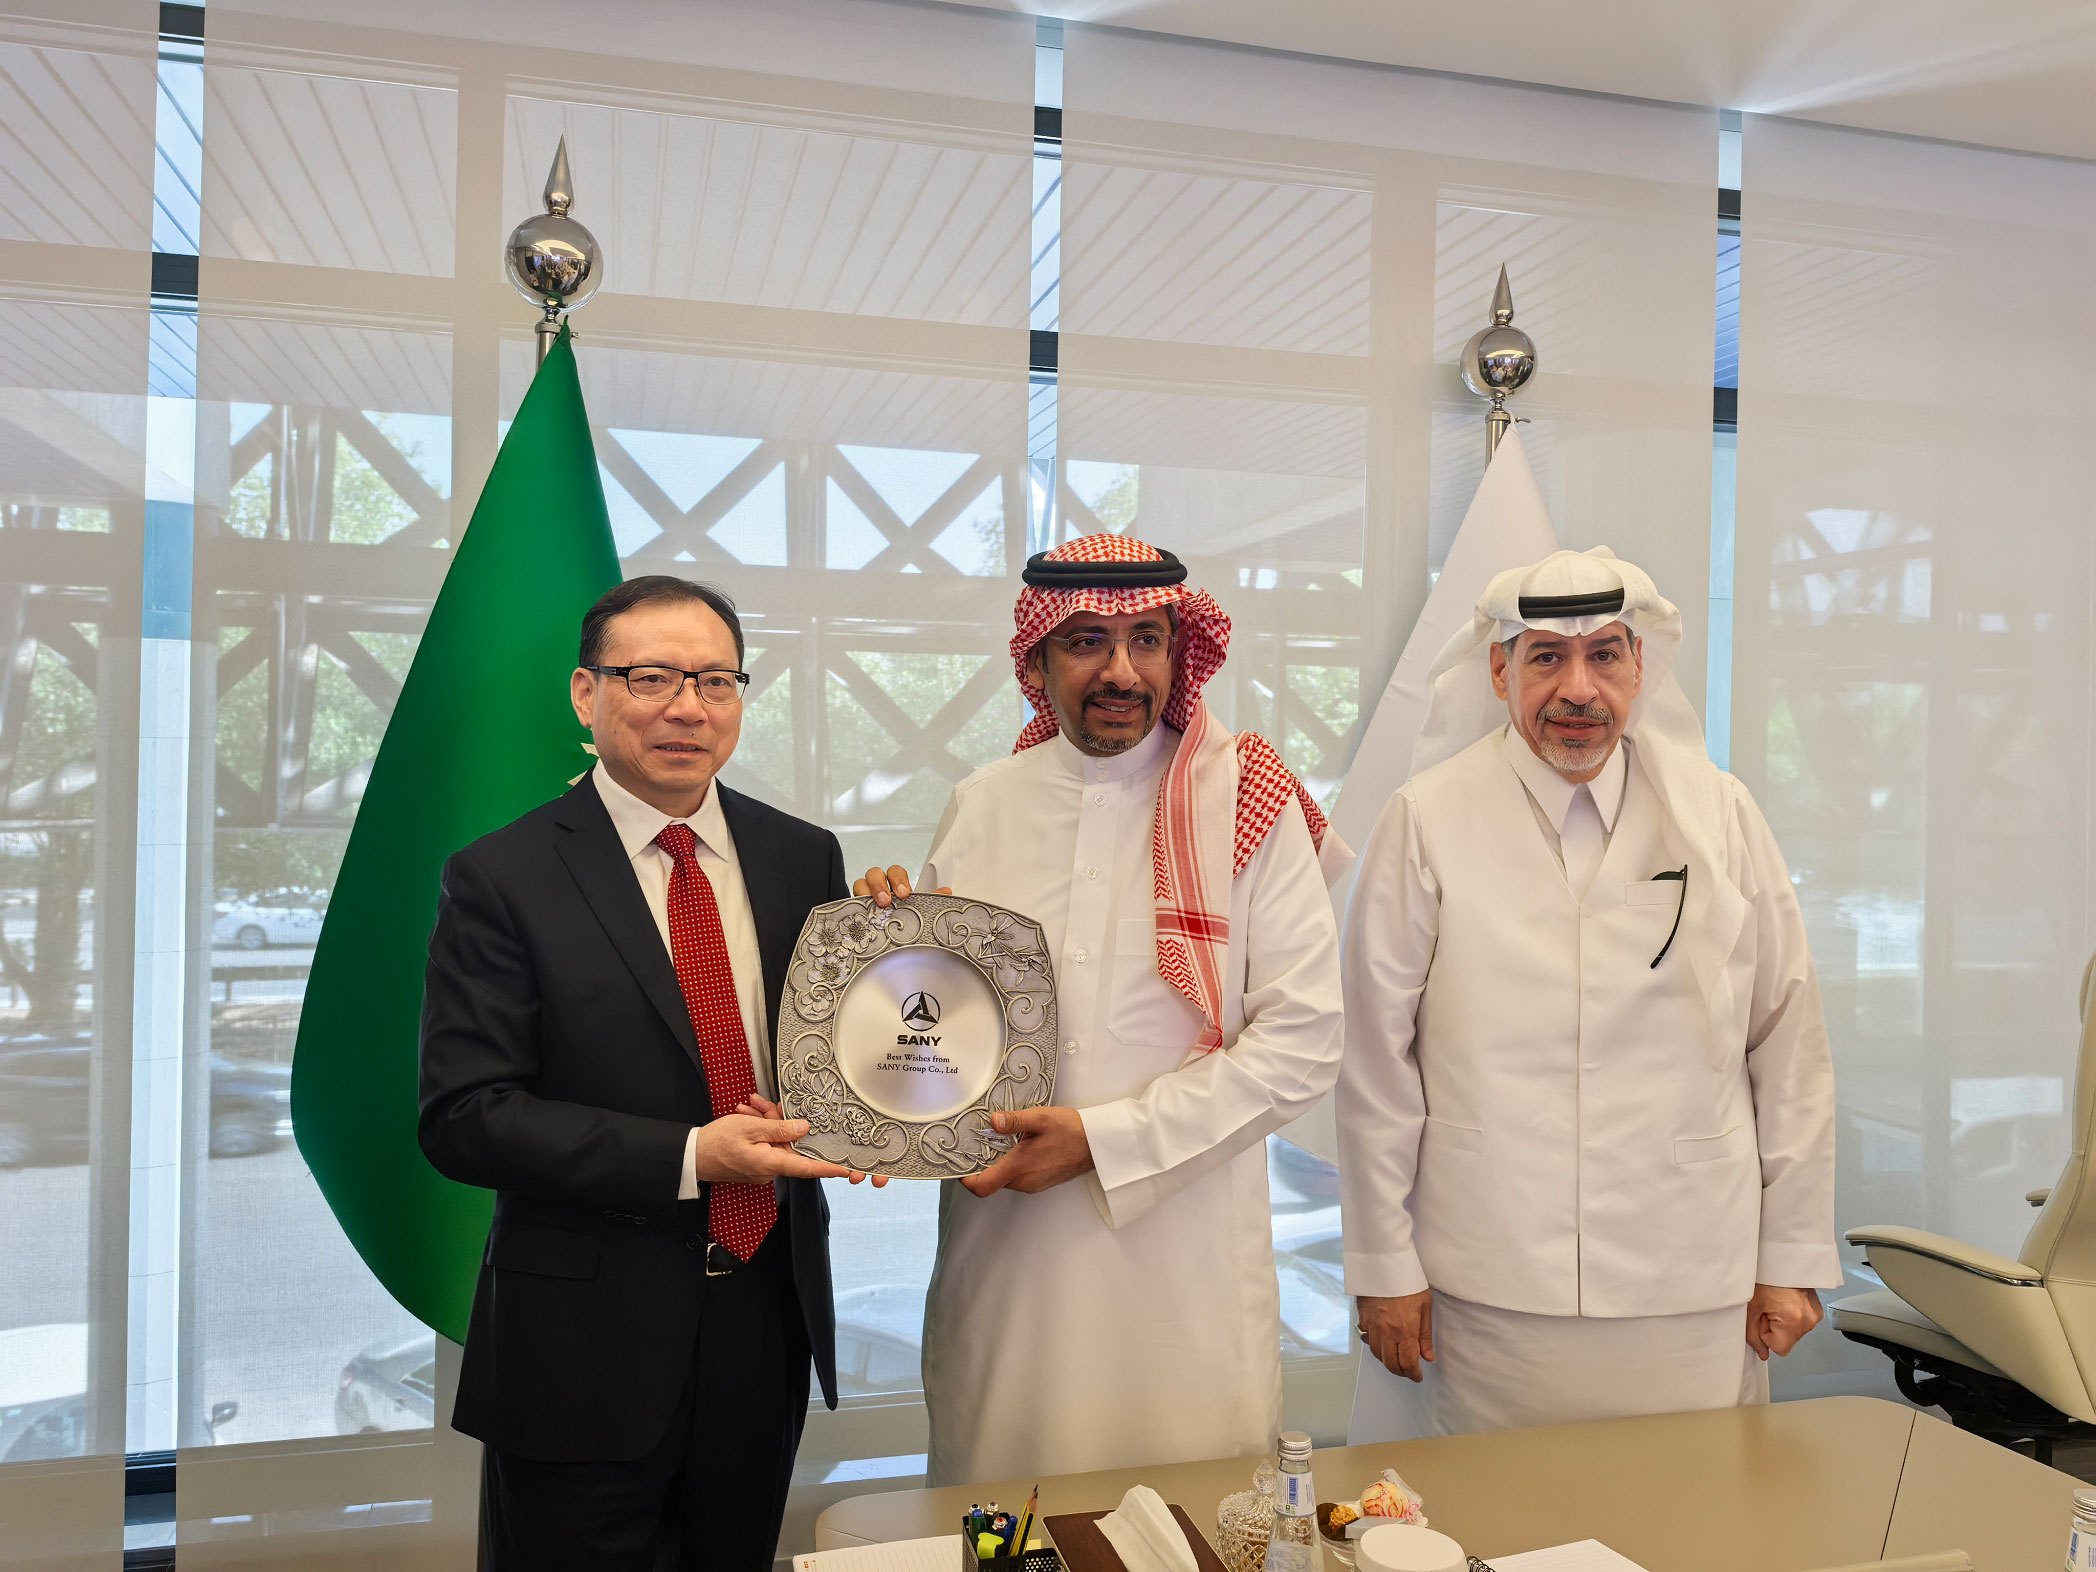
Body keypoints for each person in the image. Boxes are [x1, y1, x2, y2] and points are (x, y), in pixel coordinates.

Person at [858, 533, 1349, 1485]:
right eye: (1086, 640)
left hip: (1185, 1278)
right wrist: (876, 974)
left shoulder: (1248, 798)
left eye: (1146, 639)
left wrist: (1100, 1141)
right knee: (1004, 1515)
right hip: (1006, 1268)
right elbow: (935, 1027)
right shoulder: (983, 803)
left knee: (1189, 1520)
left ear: (1179, 651)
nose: (1121, 670)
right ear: (1037, 658)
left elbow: (1303, 1044)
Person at [418, 575, 882, 1571]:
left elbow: (836, 1053)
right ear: (587, 694)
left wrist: (911, 959)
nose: (687, 707)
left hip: (762, 1319)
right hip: (580, 1347)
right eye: (653, 677)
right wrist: (693, 1155)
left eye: (715, 680)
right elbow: (465, 1115)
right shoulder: (501, 876)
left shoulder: (802, 857)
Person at [1338, 547, 1839, 1439]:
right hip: (1491, 1288)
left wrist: (1793, 1254)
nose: (1579, 689)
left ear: (1640, 665)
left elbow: (1788, 1043)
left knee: (1691, 1510)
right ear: (1500, 672)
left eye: (1604, 654)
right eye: (1547, 658)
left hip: (1694, 1280)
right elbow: (1376, 1060)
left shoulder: (1720, 816)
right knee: (1502, 1511)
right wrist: (1383, 1264)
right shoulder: (1426, 819)